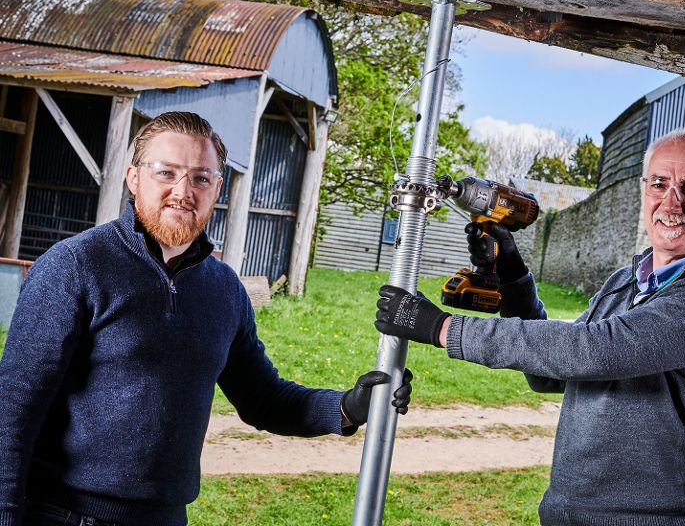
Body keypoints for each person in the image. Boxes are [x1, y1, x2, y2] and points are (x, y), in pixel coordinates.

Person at [0, 112, 411, 526]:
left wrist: (347, 407)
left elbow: (263, 399)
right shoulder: (75, 266)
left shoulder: (224, 289)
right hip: (63, 515)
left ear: (217, 188)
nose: (183, 192)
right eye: (166, 173)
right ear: (133, 178)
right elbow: (12, 413)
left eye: (200, 178)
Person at [374, 128, 685, 525]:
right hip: (564, 514)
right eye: (659, 184)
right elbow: (550, 374)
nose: (671, 202)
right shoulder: (624, 282)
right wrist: (512, 274)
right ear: (644, 191)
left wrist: (443, 328)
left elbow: (596, 351)